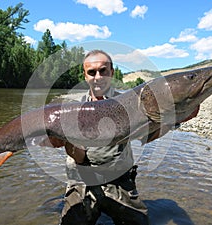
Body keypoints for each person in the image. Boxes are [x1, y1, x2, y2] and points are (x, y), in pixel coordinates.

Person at [60, 50, 150, 225]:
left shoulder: (130, 103)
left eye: (103, 71)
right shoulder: (73, 110)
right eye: (92, 72)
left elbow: (151, 133)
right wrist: (66, 142)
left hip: (119, 181)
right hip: (82, 180)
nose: (98, 77)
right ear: (85, 76)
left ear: (112, 73)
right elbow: (79, 157)